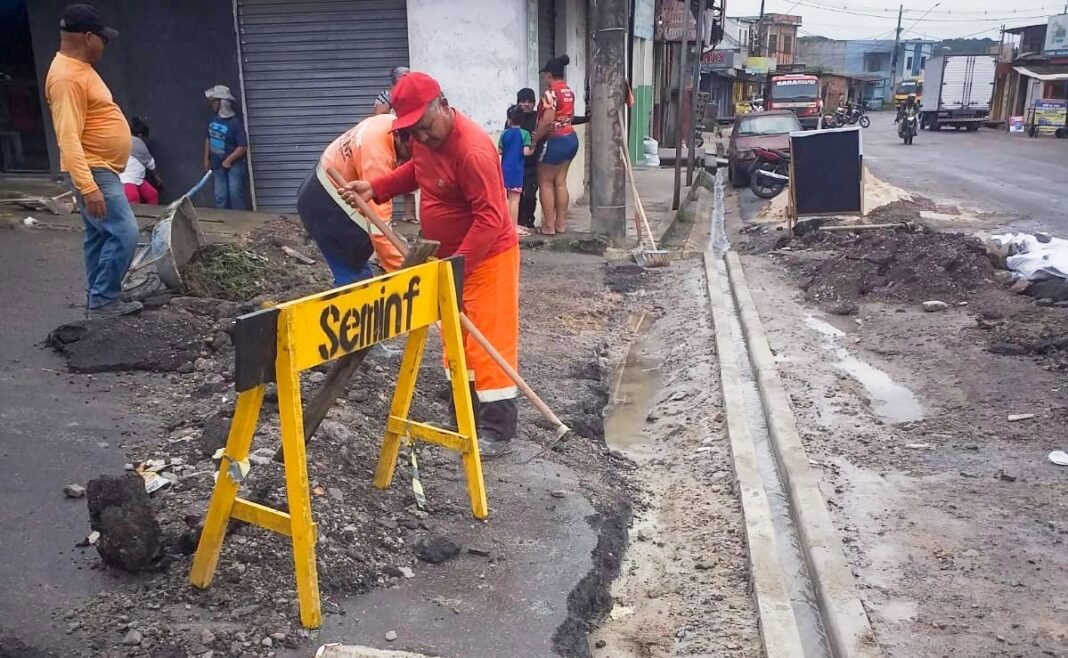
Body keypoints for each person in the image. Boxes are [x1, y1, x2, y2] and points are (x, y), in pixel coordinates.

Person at [340, 72, 520, 459]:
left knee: (488, 342)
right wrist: (377, 187)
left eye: (425, 128)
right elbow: (417, 171)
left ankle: (498, 430)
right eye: (413, 132)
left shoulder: (472, 150)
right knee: (456, 342)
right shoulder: (423, 139)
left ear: (442, 103)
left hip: (488, 258)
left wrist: (459, 267)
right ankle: (466, 416)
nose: (421, 138)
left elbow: (491, 218)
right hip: (450, 259)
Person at [45, 3, 141, 319]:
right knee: (126, 233)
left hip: (100, 167)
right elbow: (67, 137)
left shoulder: (79, 69)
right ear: (88, 37)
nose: (106, 44)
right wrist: (88, 186)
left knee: (99, 235)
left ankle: (99, 298)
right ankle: (103, 300)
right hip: (94, 168)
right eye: (103, 38)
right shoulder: (66, 79)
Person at [296, 113, 408, 285]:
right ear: (400, 138)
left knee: (358, 268)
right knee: (354, 282)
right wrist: (405, 275)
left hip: (317, 191)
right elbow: (379, 227)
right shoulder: (376, 156)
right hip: (327, 207)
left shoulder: (388, 123)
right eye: (411, 151)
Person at [532, 54, 578, 236]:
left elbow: (547, 121)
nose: (544, 79)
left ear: (550, 75)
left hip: (555, 141)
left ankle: (548, 227)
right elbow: (572, 116)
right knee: (560, 182)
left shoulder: (550, 93)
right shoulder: (568, 91)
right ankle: (560, 224)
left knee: (545, 183)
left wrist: (535, 140)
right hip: (571, 138)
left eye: (545, 75)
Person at [203, 84, 248, 210]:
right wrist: (206, 159)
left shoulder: (235, 123)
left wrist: (229, 160)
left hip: (234, 165)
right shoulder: (213, 120)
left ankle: (239, 222)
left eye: (214, 101)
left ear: (222, 103)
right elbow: (208, 138)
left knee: (235, 194)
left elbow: (243, 146)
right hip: (217, 164)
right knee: (220, 196)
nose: (212, 105)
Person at [498, 106, 534, 236]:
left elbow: (500, 151)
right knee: (515, 199)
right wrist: (533, 148)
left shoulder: (504, 133)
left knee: (506, 198)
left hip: (504, 169)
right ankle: (513, 226)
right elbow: (526, 152)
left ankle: (506, 225)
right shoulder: (525, 134)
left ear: (509, 120)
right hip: (517, 170)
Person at [507, 88, 539, 231]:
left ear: (533, 103)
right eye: (522, 101)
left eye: (529, 101)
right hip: (517, 166)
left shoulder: (538, 118)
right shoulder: (512, 120)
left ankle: (529, 221)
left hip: (532, 165)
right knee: (516, 198)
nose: (526, 104)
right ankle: (517, 223)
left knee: (530, 196)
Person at [120, 116, 160, 205]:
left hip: (138, 179)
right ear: (140, 135)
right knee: (133, 198)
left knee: (152, 194)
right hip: (127, 179)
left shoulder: (124, 139)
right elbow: (150, 163)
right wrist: (157, 177)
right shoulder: (137, 142)